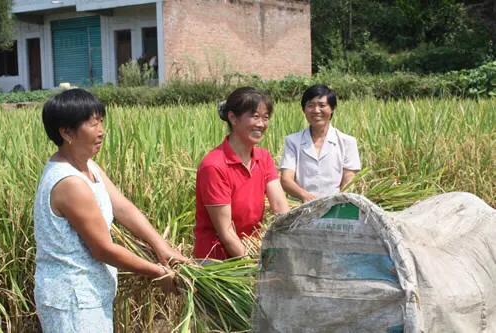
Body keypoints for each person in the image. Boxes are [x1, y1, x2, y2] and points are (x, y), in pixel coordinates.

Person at [33, 89, 187, 332]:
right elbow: (102, 249)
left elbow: (122, 207)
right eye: (92, 124)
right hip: (73, 302)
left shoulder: (87, 166)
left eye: (101, 121)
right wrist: (157, 272)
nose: (101, 131)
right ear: (66, 132)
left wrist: (161, 246)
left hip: (89, 296)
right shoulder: (70, 183)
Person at [194, 87, 290, 260]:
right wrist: (253, 268)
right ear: (233, 118)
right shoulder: (214, 166)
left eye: (265, 117)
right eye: (255, 116)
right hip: (218, 262)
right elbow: (226, 232)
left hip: (250, 249)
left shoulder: (263, 158)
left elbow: (280, 206)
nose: (261, 124)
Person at [280, 84, 361, 203]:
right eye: (310, 106)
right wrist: (305, 196)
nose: (316, 111)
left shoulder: (347, 142)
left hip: (335, 207)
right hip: (301, 208)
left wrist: (337, 203)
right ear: (304, 109)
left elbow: (349, 181)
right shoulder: (292, 141)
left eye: (322, 105)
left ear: (332, 108)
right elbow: (286, 180)